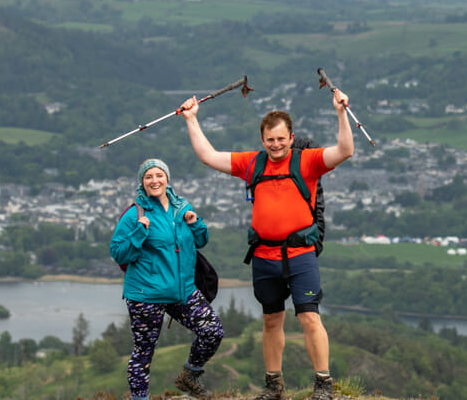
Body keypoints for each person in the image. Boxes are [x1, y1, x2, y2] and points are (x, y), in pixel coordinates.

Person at [180, 87, 354, 400]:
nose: (275, 145)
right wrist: (191, 119)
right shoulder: (253, 163)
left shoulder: (308, 161)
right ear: (263, 140)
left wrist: (341, 113)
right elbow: (209, 156)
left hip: (300, 255)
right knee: (271, 321)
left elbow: (344, 151)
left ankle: (324, 385)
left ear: (291, 137)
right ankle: (274, 385)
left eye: (281, 139)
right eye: (270, 140)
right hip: (264, 256)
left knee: (310, 317)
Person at [109, 158, 224, 400]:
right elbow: (118, 252)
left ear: (167, 178)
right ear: (142, 182)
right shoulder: (135, 214)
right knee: (144, 353)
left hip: (182, 290)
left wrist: (196, 223)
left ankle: (189, 376)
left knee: (212, 331)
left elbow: (201, 241)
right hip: (146, 294)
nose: (154, 180)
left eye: (159, 175)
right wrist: (140, 232)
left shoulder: (181, 207)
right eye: (148, 176)